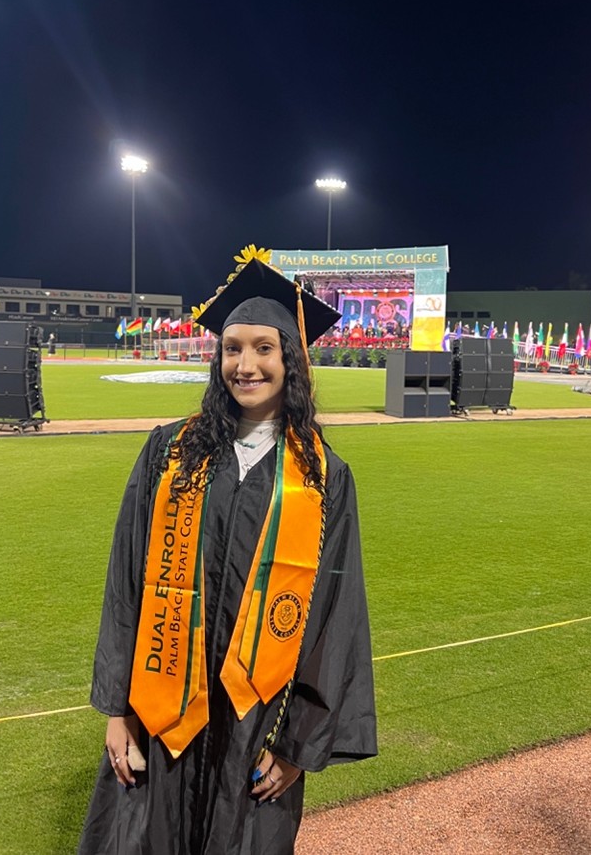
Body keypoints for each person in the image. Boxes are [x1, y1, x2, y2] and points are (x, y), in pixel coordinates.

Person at [78, 253, 377, 855]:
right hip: (163, 710)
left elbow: (335, 615)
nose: (246, 365)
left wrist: (299, 743)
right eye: (232, 348)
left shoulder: (323, 478)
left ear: (291, 361)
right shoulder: (170, 453)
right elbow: (126, 581)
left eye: (264, 349)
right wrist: (117, 708)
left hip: (255, 719)